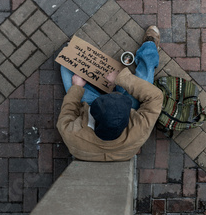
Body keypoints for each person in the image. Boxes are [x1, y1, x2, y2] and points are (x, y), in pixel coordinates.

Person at [56, 26, 163, 161]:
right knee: (146, 79)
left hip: (92, 106)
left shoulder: (71, 134)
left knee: (66, 65)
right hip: (115, 108)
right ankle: (150, 46)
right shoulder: (140, 128)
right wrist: (120, 79)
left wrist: (77, 87)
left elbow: (67, 113)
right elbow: (156, 96)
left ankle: (73, 51)